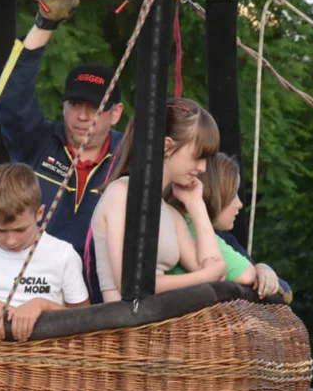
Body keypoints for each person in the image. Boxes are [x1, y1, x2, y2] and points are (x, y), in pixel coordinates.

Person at [0, 0, 124, 301]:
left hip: (102, 305)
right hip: (33, 295)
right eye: (74, 105)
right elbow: (10, 99)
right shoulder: (38, 143)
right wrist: (45, 23)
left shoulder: (130, 157)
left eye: (94, 108)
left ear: (115, 113)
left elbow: (183, 203)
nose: (81, 116)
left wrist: (247, 263)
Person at [91, 98, 227, 302]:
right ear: (167, 146)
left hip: (158, 327)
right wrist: (201, 278)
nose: (202, 168)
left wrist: (196, 205)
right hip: (125, 326)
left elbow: (217, 275)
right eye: (198, 156)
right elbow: (129, 283)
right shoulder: (121, 193)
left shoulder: (171, 214)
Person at [0, 163, 90, 340]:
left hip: (47, 355)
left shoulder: (63, 254)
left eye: (20, 230)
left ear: (40, 213)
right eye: (0, 230)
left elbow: (85, 319)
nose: (11, 240)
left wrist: (42, 305)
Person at [166, 152, 257, 286]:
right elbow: (245, 275)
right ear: (214, 193)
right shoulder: (191, 226)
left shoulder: (176, 219)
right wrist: (258, 271)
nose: (239, 204)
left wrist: (260, 268)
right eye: (233, 194)